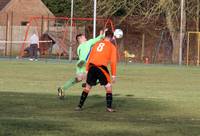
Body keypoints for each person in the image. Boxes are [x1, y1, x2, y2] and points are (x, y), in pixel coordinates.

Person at [75, 29, 117, 112]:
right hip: (101, 67)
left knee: (87, 87)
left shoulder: (97, 43)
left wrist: (87, 70)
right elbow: (113, 62)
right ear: (112, 38)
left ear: (104, 36)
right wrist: (113, 75)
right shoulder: (112, 47)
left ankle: (79, 106)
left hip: (91, 66)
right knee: (108, 87)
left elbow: (90, 56)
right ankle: (109, 108)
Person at [57, 29, 106, 99]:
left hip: (79, 64)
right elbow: (98, 39)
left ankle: (62, 88)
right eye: (84, 37)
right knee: (100, 77)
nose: (86, 38)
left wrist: (100, 35)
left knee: (78, 79)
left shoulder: (78, 48)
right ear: (80, 38)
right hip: (85, 64)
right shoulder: (88, 43)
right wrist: (104, 34)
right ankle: (88, 83)